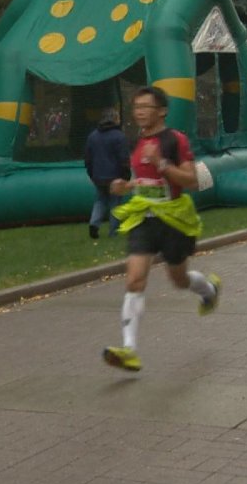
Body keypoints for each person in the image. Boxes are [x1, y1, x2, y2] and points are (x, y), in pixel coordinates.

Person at [102, 87, 221, 372]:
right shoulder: (134, 142)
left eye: (146, 106)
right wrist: (125, 185)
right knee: (134, 280)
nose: (140, 112)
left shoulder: (175, 140)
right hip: (144, 219)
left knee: (178, 280)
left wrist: (162, 163)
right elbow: (142, 178)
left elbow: (191, 181)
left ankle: (209, 290)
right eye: (136, 107)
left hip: (174, 220)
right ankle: (129, 349)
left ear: (162, 111)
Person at [84, 107, 130, 240]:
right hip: (115, 177)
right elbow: (124, 159)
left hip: (98, 177)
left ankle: (94, 223)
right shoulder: (119, 137)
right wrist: (125, 177)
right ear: (115, 119)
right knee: (115, 204)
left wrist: (92, 174)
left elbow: (88, 158)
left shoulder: (93, 136)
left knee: (99, 201)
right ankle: (113, 232)